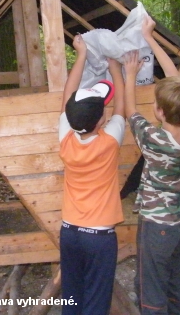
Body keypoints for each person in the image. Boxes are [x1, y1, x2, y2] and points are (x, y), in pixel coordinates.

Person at [123, 15, 180, 315]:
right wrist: (150, 37)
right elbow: (178, 83)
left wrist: (130, 73)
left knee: (151, 293)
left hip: (158, 227)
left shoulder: (154, 139)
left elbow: (131, 111)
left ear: (158, 111)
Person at [58, 34, 126, 315]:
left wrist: (81, 54)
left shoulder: (66, 138)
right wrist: (116, 69)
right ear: (101, 119)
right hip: (99, 238)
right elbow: (121, 105)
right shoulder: (109, 142)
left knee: (71, 298)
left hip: (69, 232)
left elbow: (67, 96)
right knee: (96, 303)